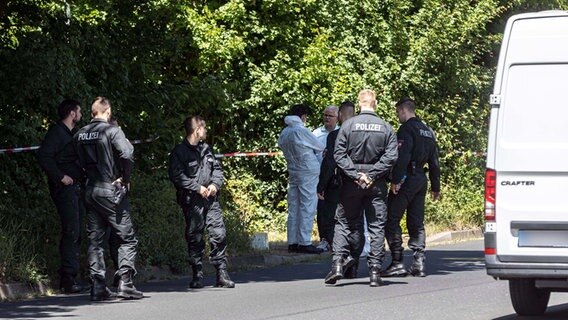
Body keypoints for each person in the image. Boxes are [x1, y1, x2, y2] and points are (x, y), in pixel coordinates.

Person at [324, 89, 398, 287]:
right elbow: (391, 157)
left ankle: (338, 264)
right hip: (376, 184)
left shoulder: (347, 126)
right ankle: (374, 271)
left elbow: (338, 155)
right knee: (376, 226)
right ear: (375, 103)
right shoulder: (386, 127)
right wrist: (371, 175)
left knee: (343, 223)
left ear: (359, 104)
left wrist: (355, 175)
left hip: (351, 183)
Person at [74, 96, 143, 301]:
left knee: (95, 240)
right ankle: (126, 283)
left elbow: (68, 159)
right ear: (108, 111)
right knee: (127, 238)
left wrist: (82, 176)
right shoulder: (113, 131)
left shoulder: (80, 134)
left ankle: (98, 286)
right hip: (110, 190)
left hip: (90, 190)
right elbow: (127, 153)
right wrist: (126, 178)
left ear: (92, 112)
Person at [168, 116, 235, 289]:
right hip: (192, 201)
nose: (206, 131)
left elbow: (217, 170)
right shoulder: (179, 152)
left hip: (211, 200)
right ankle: (197, 273)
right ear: (197, 130)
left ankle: (222, 272)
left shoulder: (207, 149)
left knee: (218, 233)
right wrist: (197, 188)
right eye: (204, 128)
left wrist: (214, 184)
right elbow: (177, 176)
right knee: (194, 236)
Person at [382, 97, 440, 278]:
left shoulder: (406, 129)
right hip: (421, 180)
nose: (397, 116)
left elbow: (402, 157)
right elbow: (435, 162)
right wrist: (435, 187)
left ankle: (397, 262)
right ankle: (418, 262)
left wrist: (396, 180)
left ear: (403, 110)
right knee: (416, 222)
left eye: (397, 112)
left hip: (407, 178)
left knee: (391, 218)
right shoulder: (428, 131)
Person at [38, 99, 88, 294]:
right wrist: (60, 177)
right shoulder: (56, 133)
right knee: (71, 231)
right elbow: (44, 156)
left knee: (76, 231)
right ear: (72, 114)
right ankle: (68, 279)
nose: (81, 114)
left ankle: (72, 275)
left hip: (76, 189)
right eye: (79, 111)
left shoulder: (71, 134)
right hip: (65, 190)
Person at [278, 104, 325, 254]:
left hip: (293, 170)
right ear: (303, 116)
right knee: (308, 205)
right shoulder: (301, 130)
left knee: (294, 206)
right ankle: (305, 241)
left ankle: (293, 242)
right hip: (308, 170)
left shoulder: (285, 132)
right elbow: (319, 146)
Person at [316, 102, 355, 254]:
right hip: (360, 180)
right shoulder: (360, 132)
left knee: (334, 215)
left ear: (339, 116)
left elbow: (330, 162)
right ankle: (355, 249)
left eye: (330, 115)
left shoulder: (335, 135)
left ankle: (339, 250)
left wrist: (321, 186)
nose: (326, 118)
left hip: (338, 181)